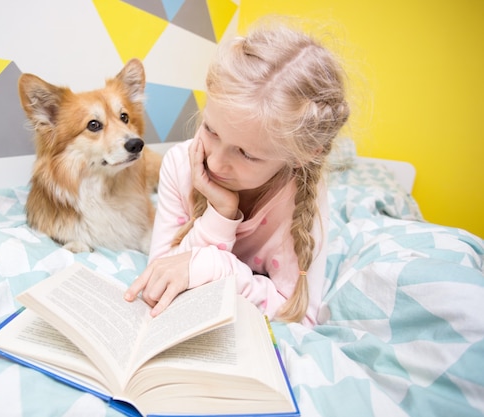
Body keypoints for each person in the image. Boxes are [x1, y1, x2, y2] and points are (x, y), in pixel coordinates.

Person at [124, 18, 350, 327]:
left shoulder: (301, 193)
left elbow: (300, 313)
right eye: (211, 130)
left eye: (246, 153)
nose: (215, 164)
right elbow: (162, 272)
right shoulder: (181, 163)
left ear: (301, 157)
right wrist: (220, 213)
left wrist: (217, 265)